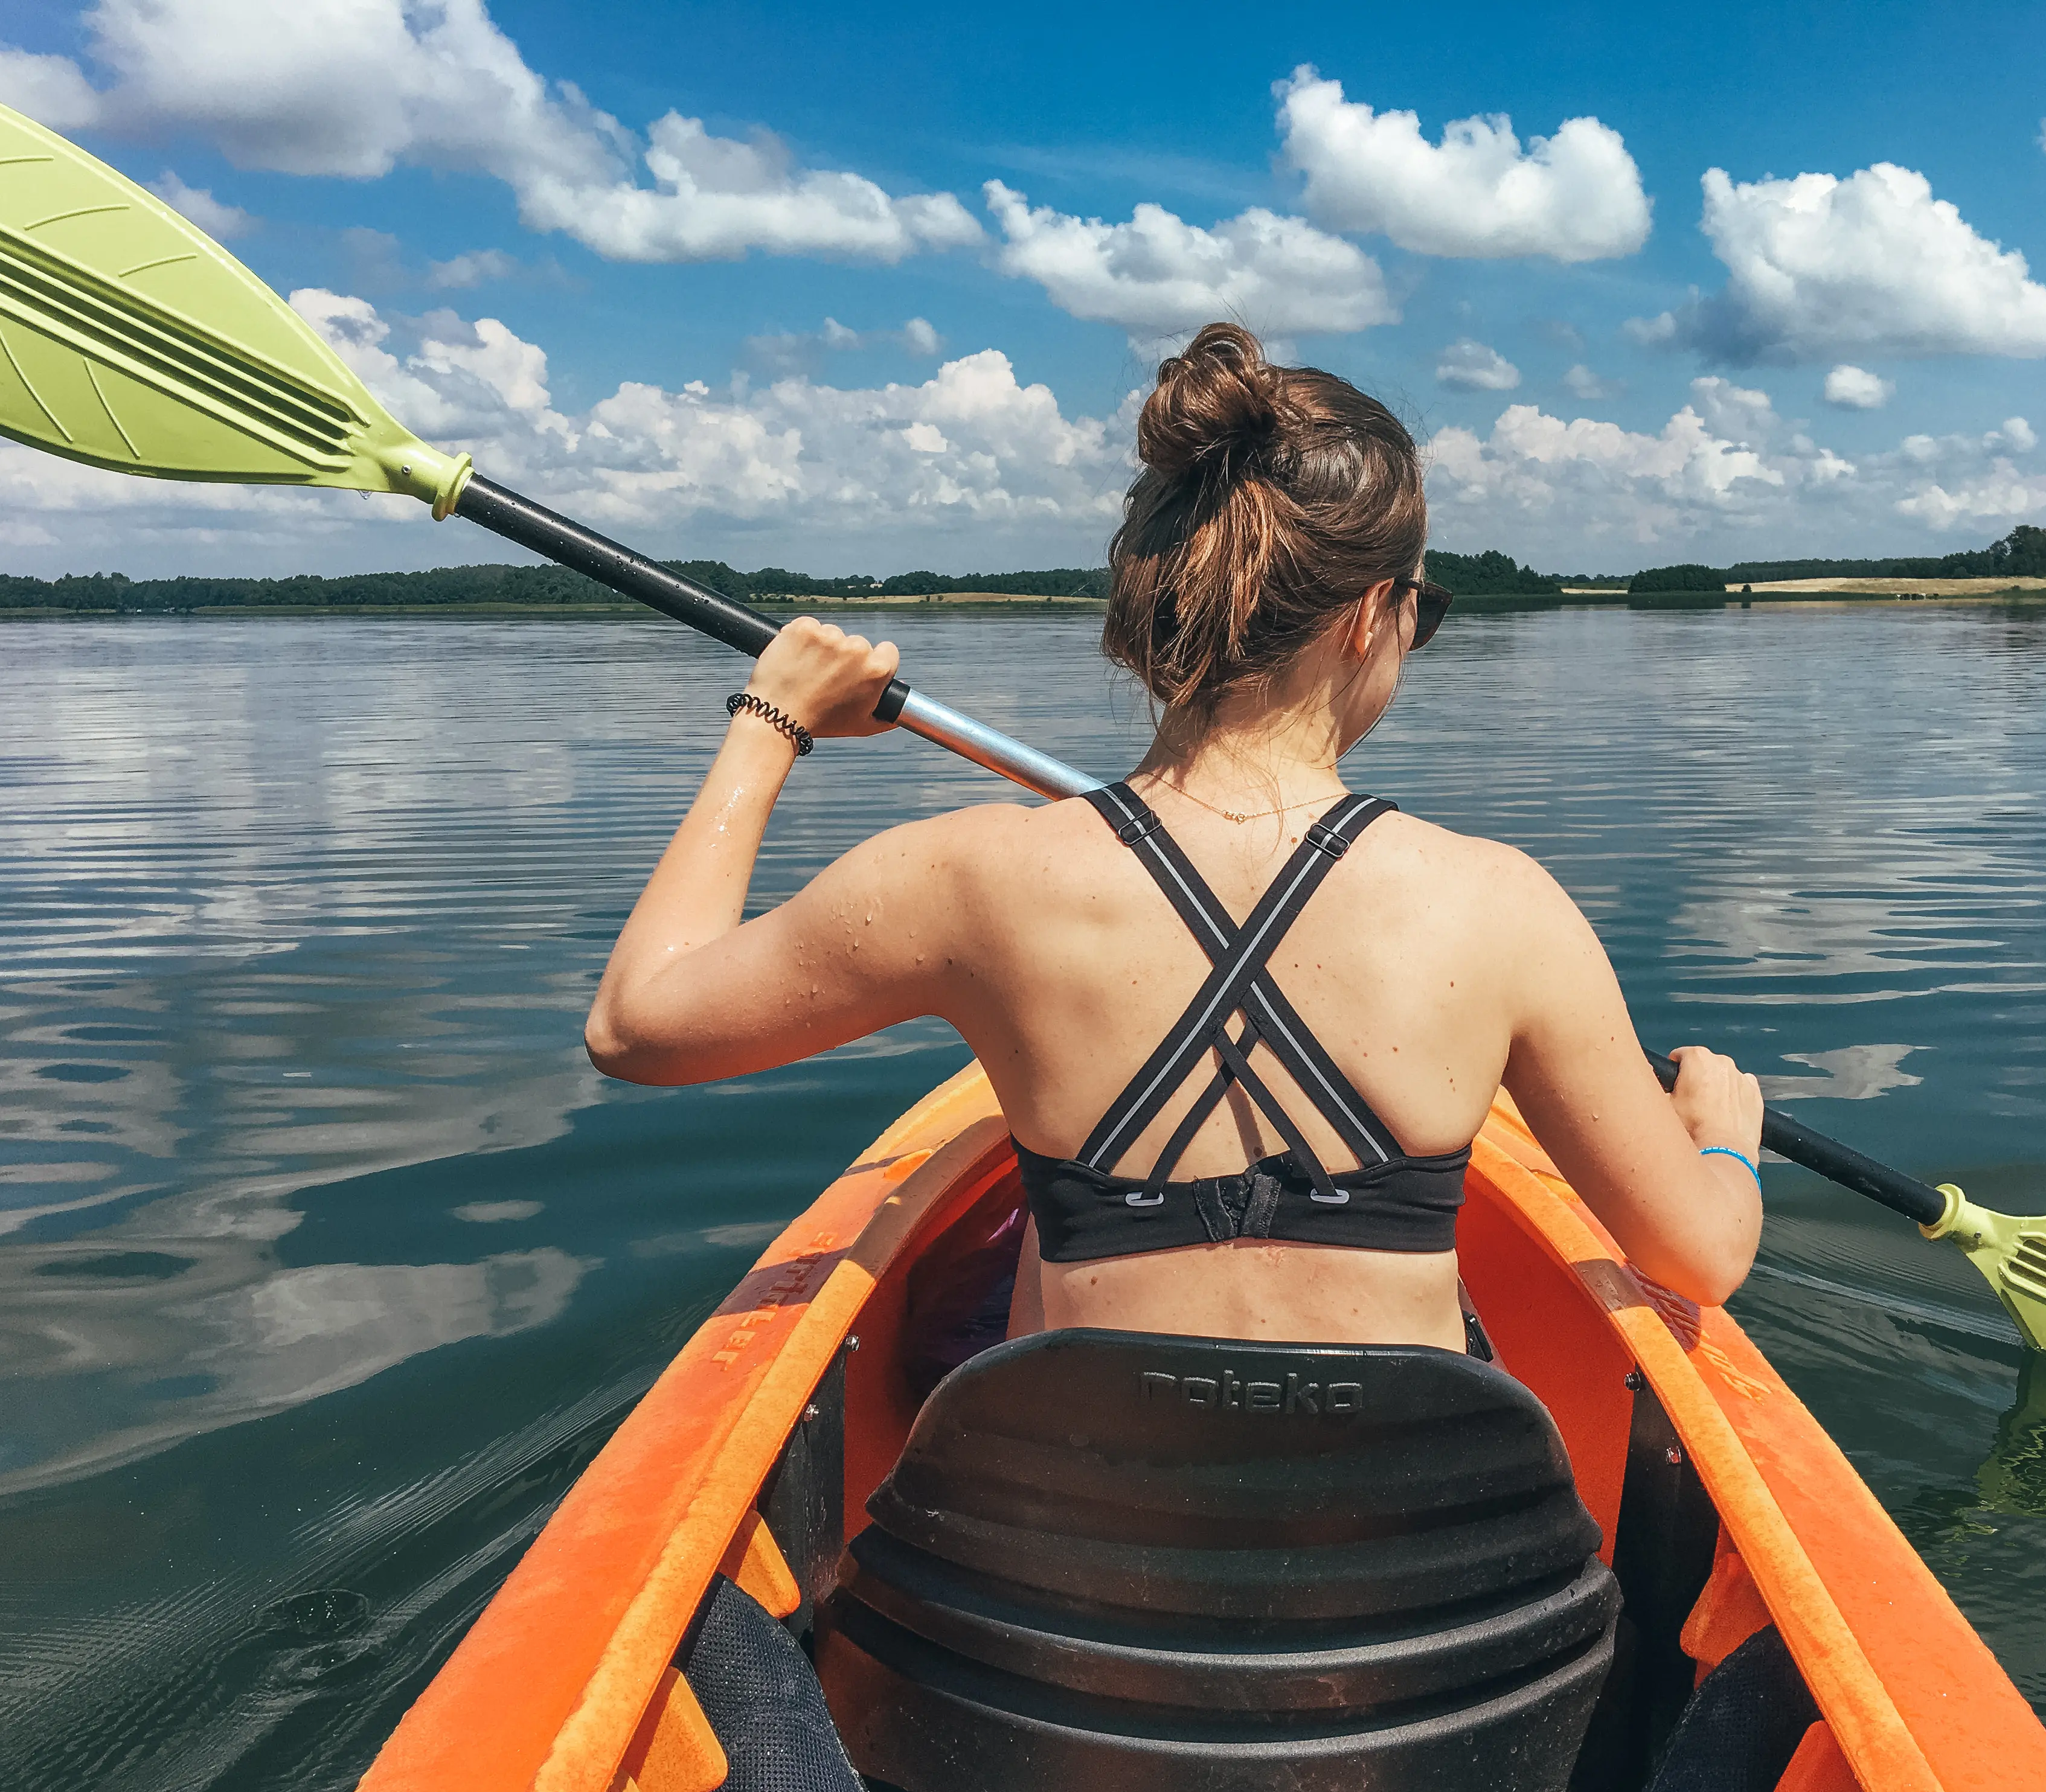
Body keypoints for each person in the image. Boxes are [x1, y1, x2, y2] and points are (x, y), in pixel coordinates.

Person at [585, 322, 1764, 1352]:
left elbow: (639, 1026)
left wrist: (774, 715)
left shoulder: (962, 882)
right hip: (1416, 1582)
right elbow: (1700, 1261)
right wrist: (1721, 1146)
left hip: (1068, 1577)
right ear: (1369, 618)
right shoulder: (1502, 909)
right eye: (1422, 610)